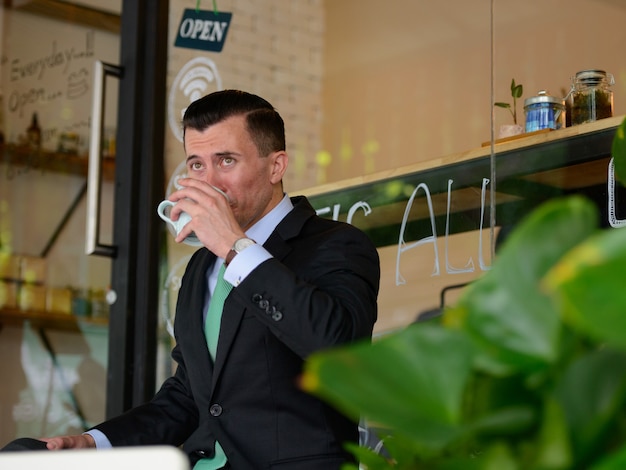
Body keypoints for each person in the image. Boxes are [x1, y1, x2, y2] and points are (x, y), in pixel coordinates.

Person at [38, 89, 381, 469]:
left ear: (276, 166)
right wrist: (95, 442)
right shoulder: (202, 265)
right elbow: (189, 394)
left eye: (226, 160)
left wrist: (235, 246)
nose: (210, 182)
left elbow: (339, 346)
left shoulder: (337, 244)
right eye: (197, 165)